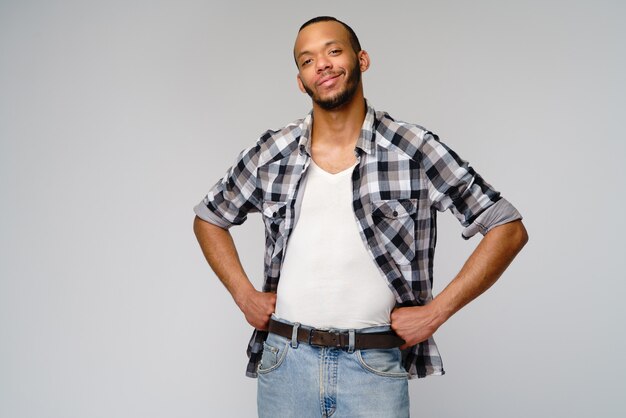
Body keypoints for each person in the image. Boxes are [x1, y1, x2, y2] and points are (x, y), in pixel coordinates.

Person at [193, 16, 528, 418]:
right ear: (301, 81)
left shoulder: (412, 147)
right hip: (285, 364)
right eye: (307, 60)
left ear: (362, 59)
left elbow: (506, 227)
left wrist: (436, 312)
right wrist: (243, 294)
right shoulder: (274, 151)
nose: (323, 64)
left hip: (372, 365)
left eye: (334, 51)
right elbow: (210, 217)